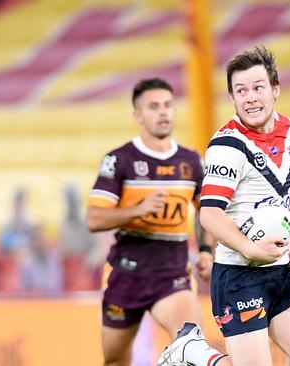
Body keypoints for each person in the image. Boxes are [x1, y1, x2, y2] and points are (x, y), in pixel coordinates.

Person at [159, 47, 290, 366]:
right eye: (241, 91)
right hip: (238, 276)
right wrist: (249, 248)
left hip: (280, 272)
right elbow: (210, 215)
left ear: (275, 89)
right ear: (232, 98)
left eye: (257, 88)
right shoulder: (228, 146)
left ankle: (192, 351)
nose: (250, 97)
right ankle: (193, 352)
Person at [85, 78, 229, 366]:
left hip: (172, 275)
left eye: (167, 105)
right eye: (153, 107)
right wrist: (136, 210)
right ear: (138, 115)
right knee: (114, 360)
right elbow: (94, 218)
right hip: (125, 276)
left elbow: (205, 210)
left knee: (193, 347)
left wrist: (204, 250)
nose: (163, 113)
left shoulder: (191, 161)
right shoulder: (120, 160)